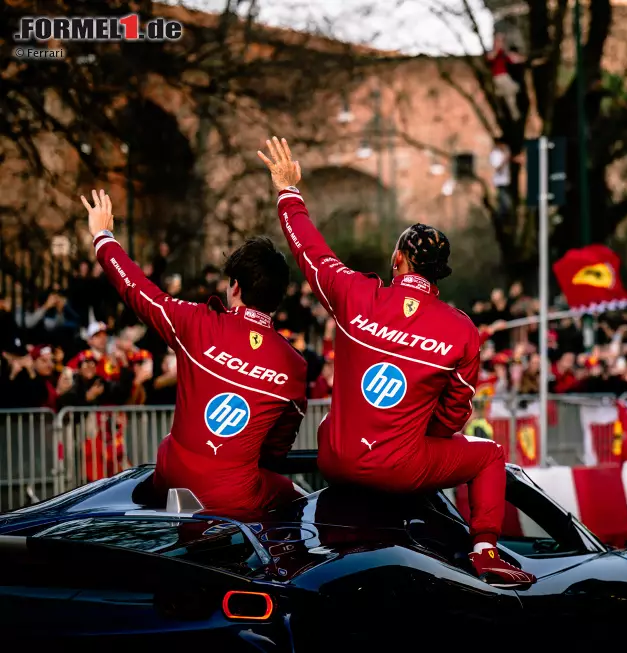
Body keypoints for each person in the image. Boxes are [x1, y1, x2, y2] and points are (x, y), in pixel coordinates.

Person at [259, 136, 535, 587]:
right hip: (403, 468)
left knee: (333, 421)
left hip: (337, 457)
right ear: (438, 273)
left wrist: (288, 191)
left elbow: (310, 251)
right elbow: (453, 417)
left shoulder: (356, 294)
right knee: (491, 455)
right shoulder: (462, 329)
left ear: (398, 259)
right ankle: (485, 551)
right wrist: (416, 434)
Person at [79, 189, 308, 517]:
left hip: (171, 479)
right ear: (278, 297)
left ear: (235, 287)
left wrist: (103, 236)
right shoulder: (295, 364)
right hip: (235, 497)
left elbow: (137, 290)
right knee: (301, 499)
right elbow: (276, 450)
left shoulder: (197, 322)